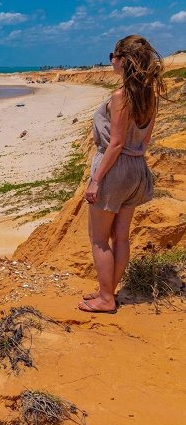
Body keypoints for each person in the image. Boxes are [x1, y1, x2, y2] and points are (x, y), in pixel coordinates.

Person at [79, 35, 166, 314]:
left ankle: (106, 299)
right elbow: (145, 140)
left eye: (113, 56)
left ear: (124, 61)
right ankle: (109, 292)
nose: (111, 60)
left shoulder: (121, 96)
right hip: (137, 168)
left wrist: (95, 181)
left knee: (98, 238)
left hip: (115, 168)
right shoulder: (149, 97)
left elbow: (115, 143)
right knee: (122, 237)